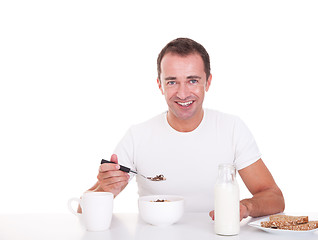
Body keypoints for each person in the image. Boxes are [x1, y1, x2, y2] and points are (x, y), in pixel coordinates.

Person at [84, 38, 285, 221]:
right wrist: (105, 188)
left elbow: (274, 197)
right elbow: (82, 211)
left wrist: (245, 206)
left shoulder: (232, 128)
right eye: (172, 82)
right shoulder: (138, 136)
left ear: (208, 82)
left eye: (192, 80)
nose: (182, 93)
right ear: (160, 85)